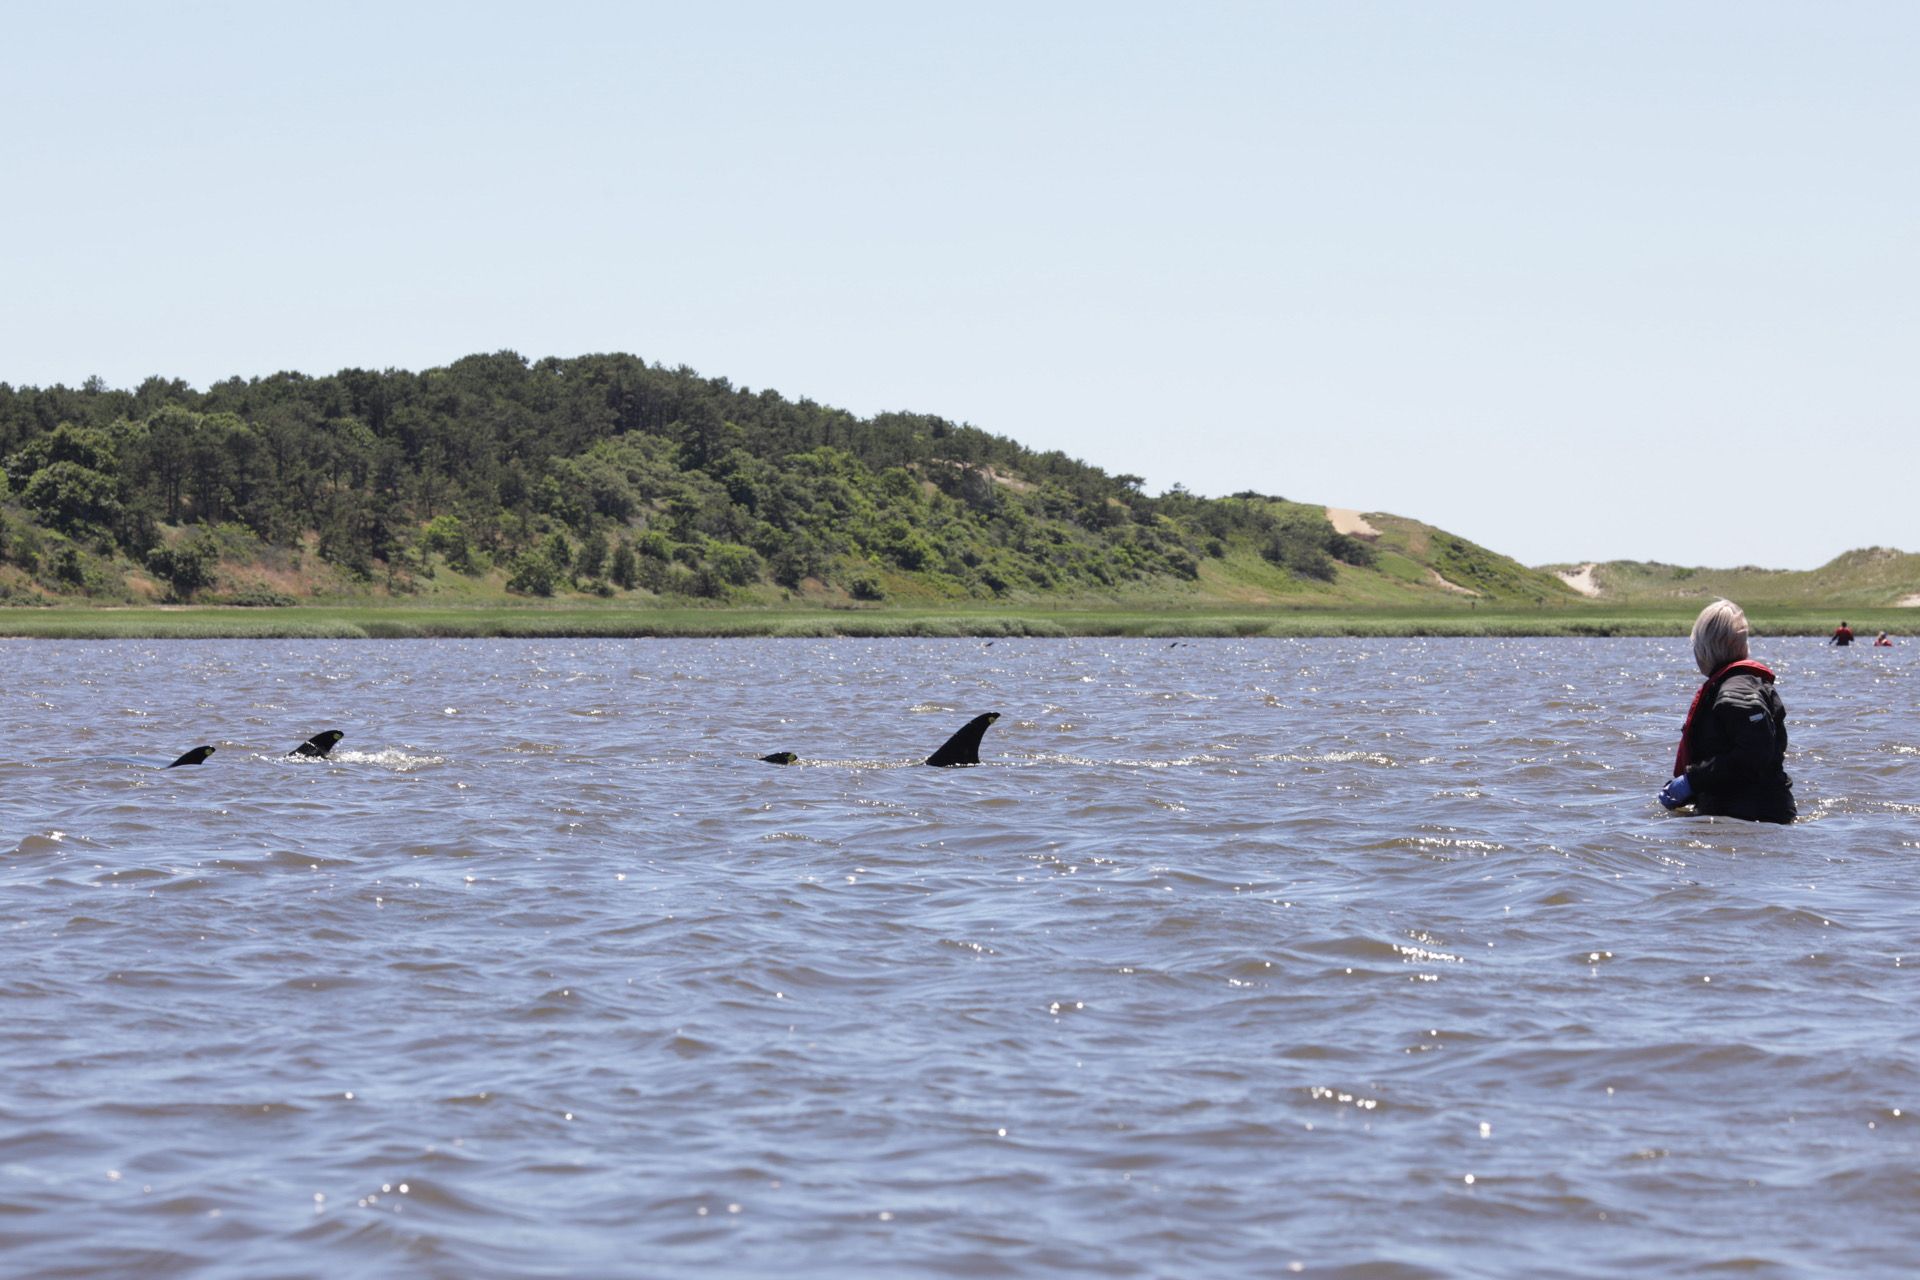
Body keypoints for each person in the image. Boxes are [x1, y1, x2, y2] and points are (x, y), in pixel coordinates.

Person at [1659, 598, 1795, 823]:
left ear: (1704, 650)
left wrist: (1693, 781)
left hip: (1750, 813)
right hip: (1761, 809)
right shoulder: (1740, 684)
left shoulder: (1736, 690)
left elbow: (1755, 752)